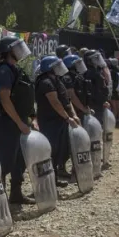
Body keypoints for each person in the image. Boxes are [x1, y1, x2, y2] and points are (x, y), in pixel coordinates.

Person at [0, 37, 36, 206]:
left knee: (19, 160)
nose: (21, 50)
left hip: (18, 122)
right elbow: (5, 99)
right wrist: (19, 123)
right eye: (17, 48)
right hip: (7, 123)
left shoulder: (13, 69)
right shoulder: (4, 70)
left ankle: (16, 194)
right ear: (9, 51)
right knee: (4, 162)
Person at [35, 55, 78, 184]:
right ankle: (49, 181)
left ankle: (55, 177)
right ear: (50, 68)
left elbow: (66, 99)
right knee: (51, 151)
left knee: (60, 149)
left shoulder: (56, 80)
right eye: (57, 66)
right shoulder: (46, 82)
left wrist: (73, 114)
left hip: (59, 121)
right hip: (50, 122)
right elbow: (55, 102)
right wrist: (67, 117)